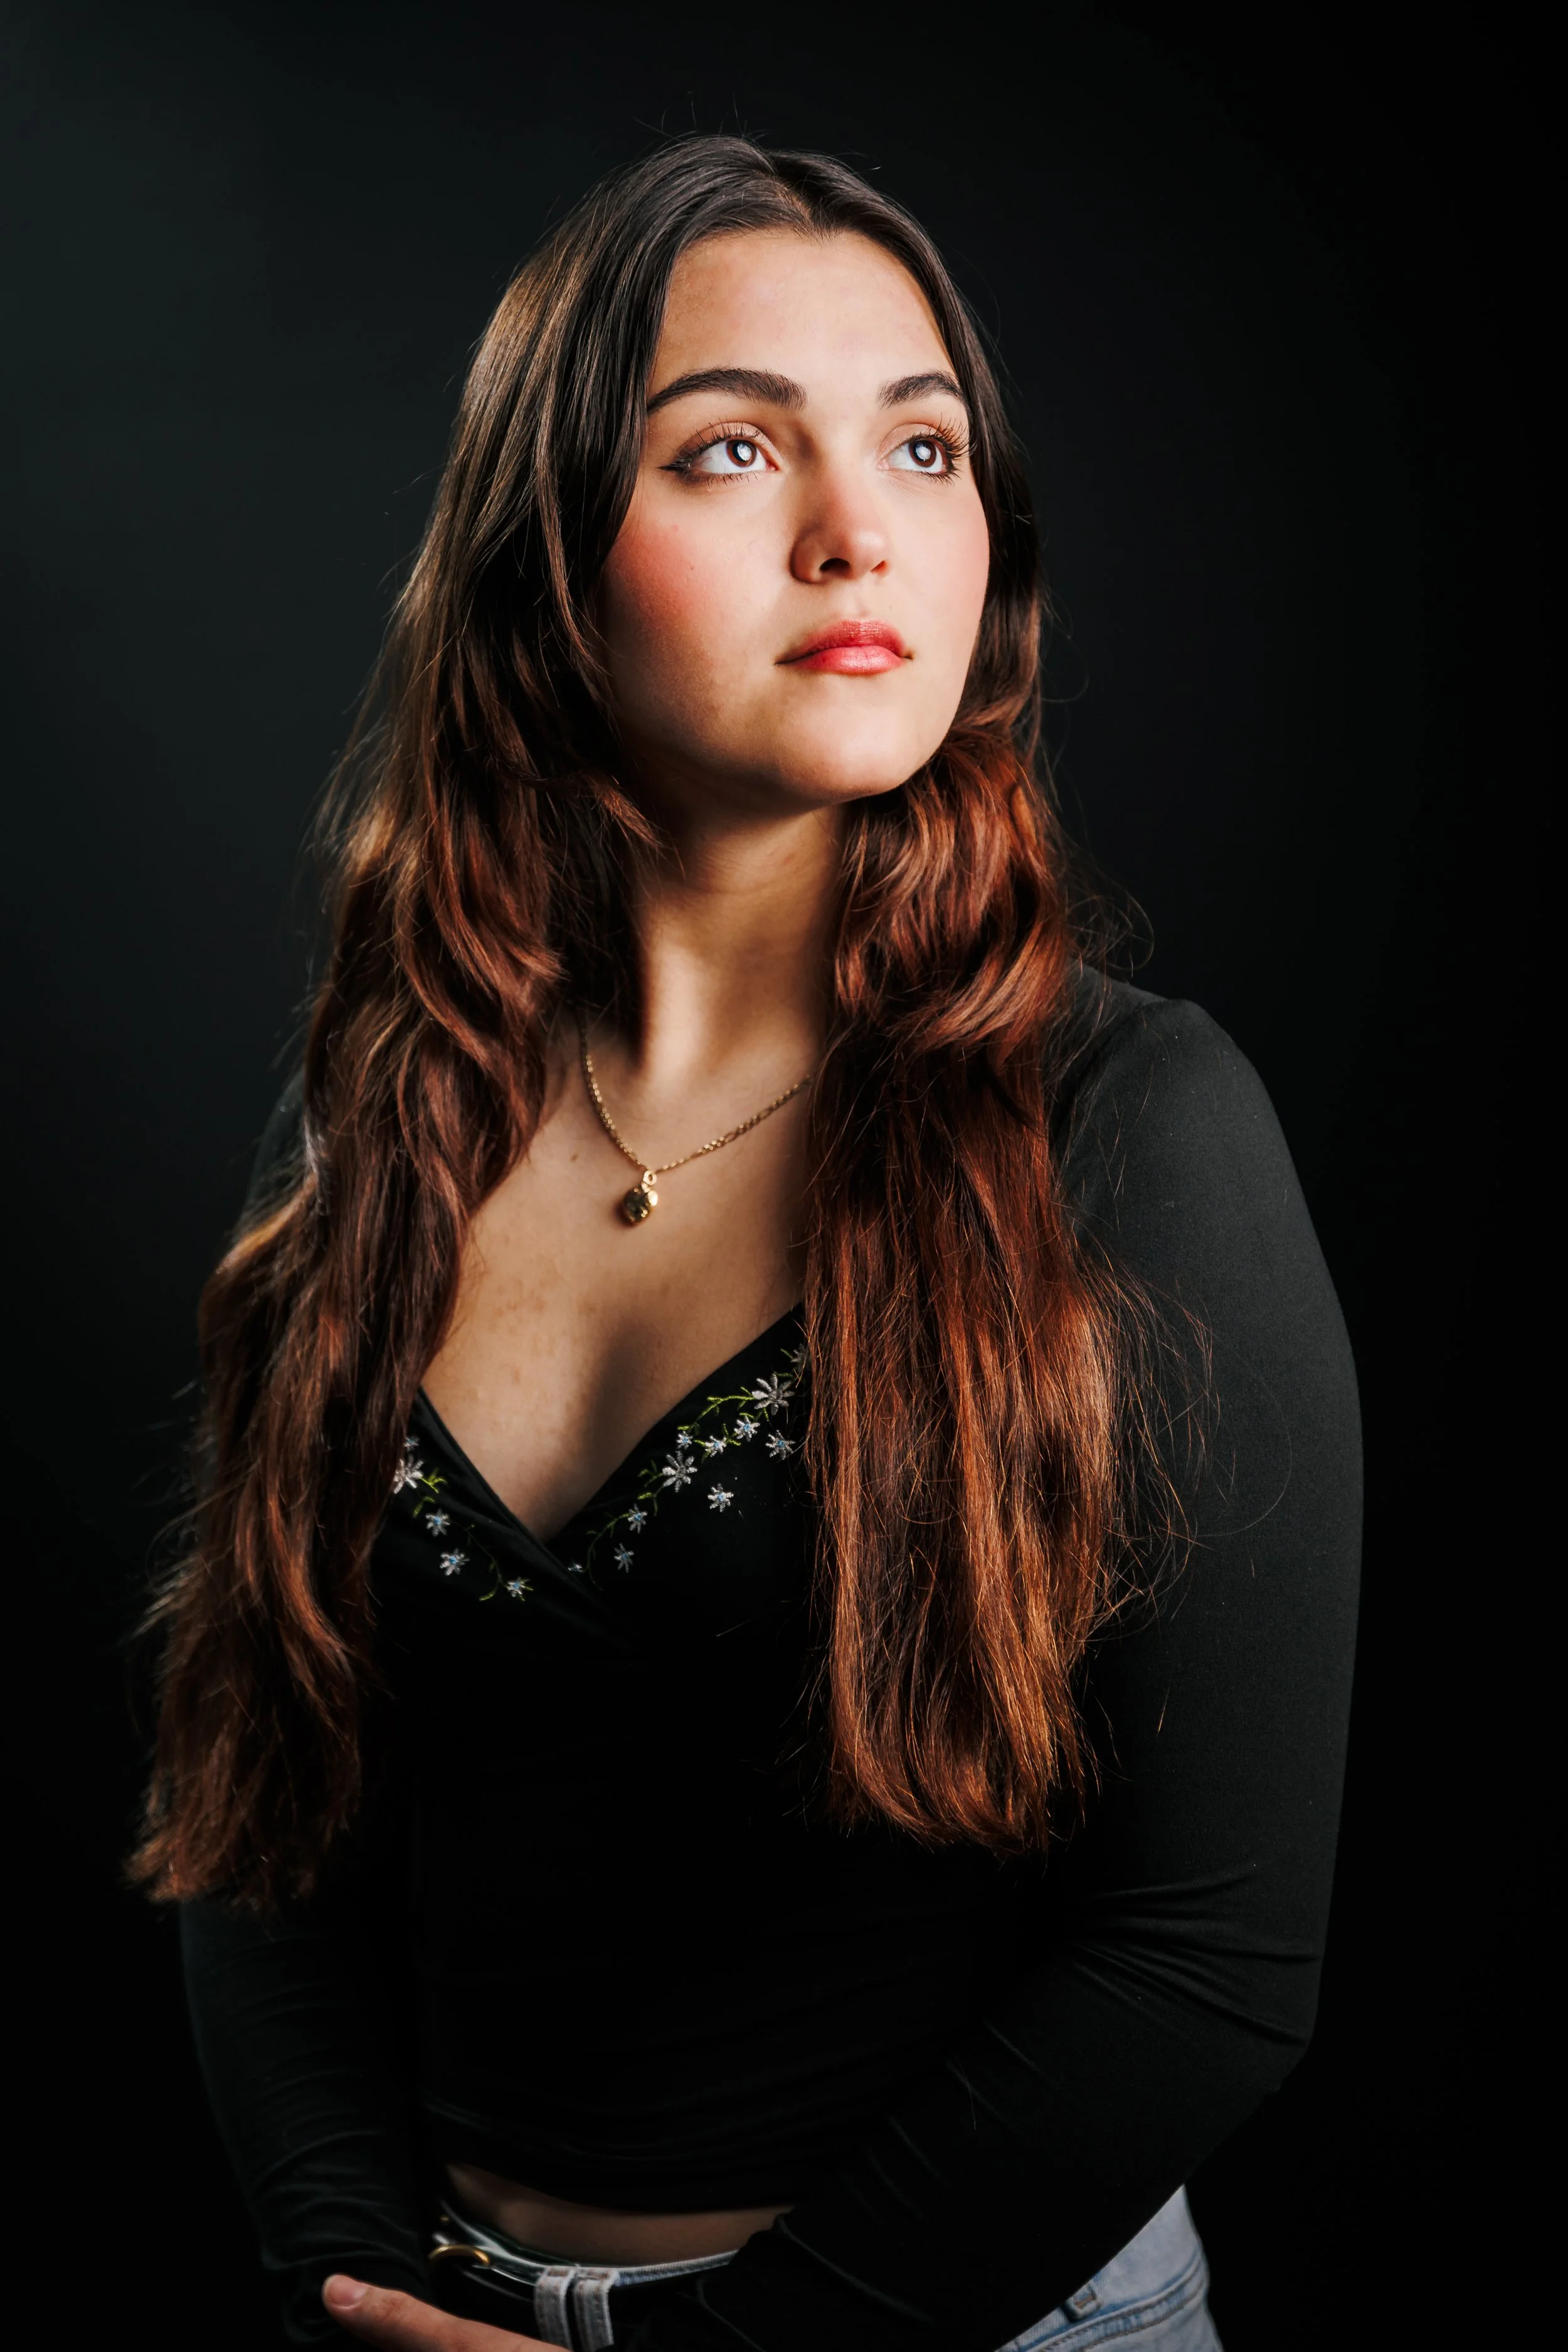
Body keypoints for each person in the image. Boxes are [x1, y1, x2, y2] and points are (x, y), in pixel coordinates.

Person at [135, 137, 1360, 2352]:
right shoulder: (377, 1116)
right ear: (539, 551)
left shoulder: (1130, 1127)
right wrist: (350, 2281)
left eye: (922, 445)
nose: (856, 529)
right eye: (729, 447)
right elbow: (260, 1802)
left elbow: (1207, 1964)